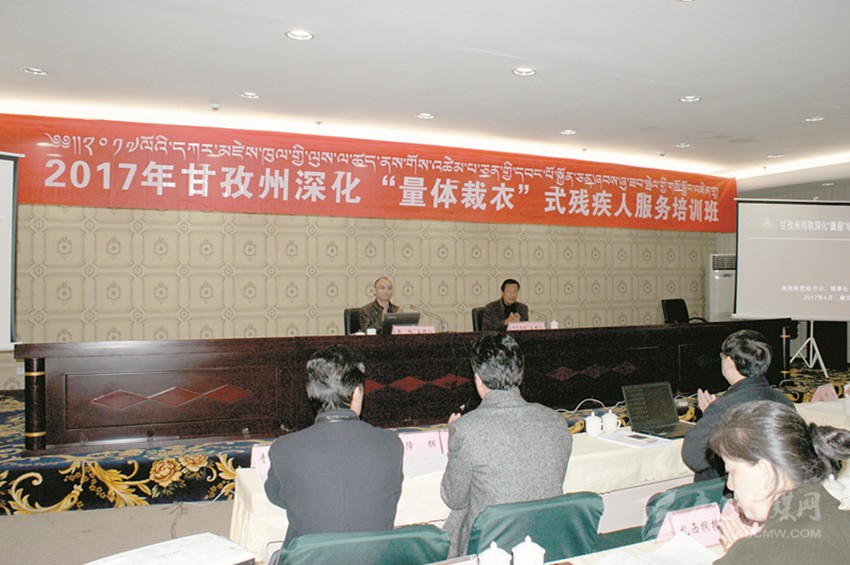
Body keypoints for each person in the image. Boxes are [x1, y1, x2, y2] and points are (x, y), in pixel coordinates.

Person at [440, 333, 573, 556]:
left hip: (491, 551)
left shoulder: (466, 429)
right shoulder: (557, 422)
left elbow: (453, 498)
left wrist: (453, 439)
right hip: (545, 545)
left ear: (478, 379)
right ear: (520, 373)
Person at [264, 344, 404, 547]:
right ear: (357, 393)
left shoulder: (284, 448)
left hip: (310, 558)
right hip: (375, 557)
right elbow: (393, 494)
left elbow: (277, 496)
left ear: (310, 393)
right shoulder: (390, 444)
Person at [710, 401, 850, 563]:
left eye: (731, 472)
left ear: (765, 473)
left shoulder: (751, 557)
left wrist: (742, 553)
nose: (730, 485)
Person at [681, 329, 794, 481]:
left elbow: (693, 456)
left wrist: (711, 416)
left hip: (732, 487)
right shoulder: (784, 401)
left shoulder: (723, 407)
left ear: (729, 362)